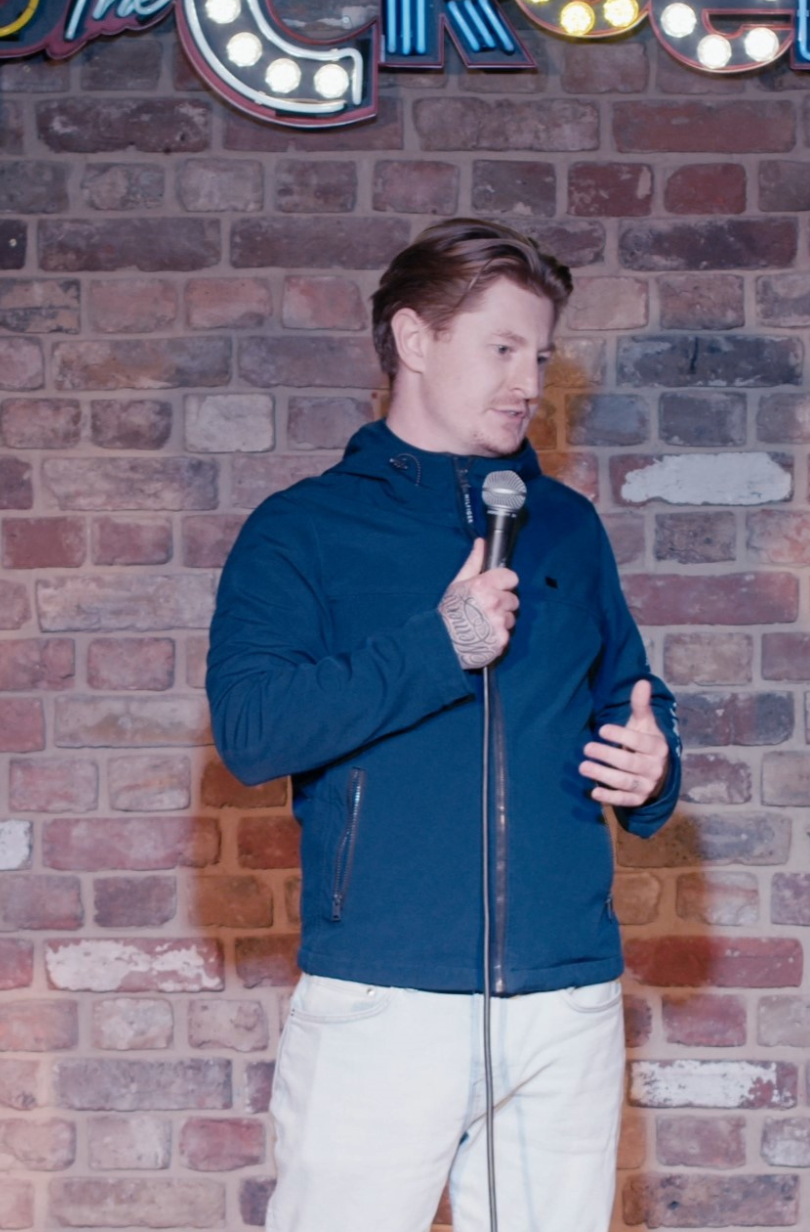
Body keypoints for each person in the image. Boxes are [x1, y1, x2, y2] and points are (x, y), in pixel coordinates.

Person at [206, 218, 681, 1232]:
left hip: (565, 998)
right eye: (501, 348)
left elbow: (626, 695)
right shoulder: (303, 529)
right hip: (385, 997)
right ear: (413, 339)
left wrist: (651, 768)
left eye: (541, 354)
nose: (528, 380)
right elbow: (252, 728)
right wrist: (439, 644)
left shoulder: (565, 525)